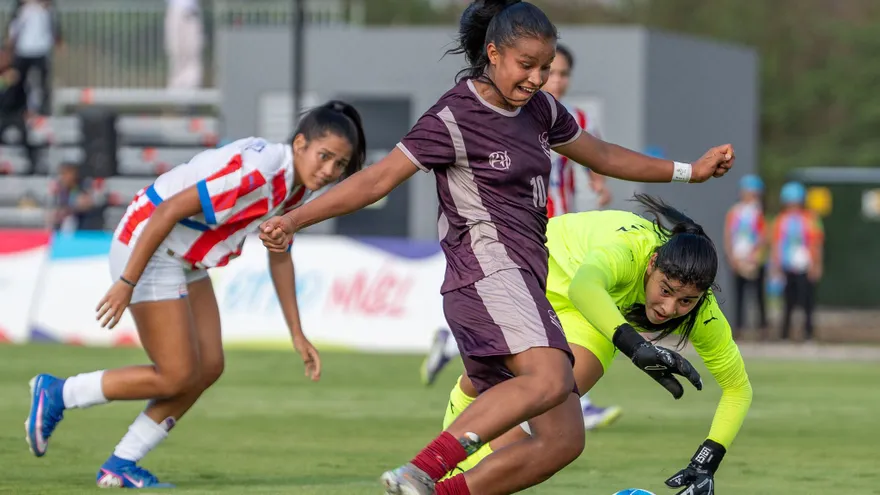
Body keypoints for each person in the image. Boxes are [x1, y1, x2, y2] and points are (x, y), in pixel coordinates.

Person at [260, 2, 734, 493]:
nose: (536, 78)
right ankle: (421, 471)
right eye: (526, 65)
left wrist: (690, 171)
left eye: (545, 67)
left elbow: (603, 154)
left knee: (563, 439)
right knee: (552, 379)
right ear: (493, 53)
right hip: (486, 275)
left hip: (525, 281)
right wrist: (293, 219)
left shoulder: (542, 110)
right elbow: (377, 180)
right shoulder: (454, 115)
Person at [24, 101, 367, 488]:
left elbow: (280, 253)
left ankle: (121, 463)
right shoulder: (259, 173)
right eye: (325, 156)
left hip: (183, 255)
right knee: (175, 375)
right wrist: (127, 282)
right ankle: (59, 392)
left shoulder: (295, 187)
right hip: (149, 244)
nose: (330, 171)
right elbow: (168, 210)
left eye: (340, 164)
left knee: (209, 367)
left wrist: (297, 333)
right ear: (300, 143)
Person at [440, 194, 753, 495]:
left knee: (552, 420)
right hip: (533, 271)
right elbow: (584, 286)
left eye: (686, 301)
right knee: (497, 384)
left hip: (589, 309)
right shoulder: (631, 249)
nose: (669, 309)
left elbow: (738, 389)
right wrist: (637, 348)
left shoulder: (704, 313)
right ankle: (442, 471)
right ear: (652, 263)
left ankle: (448, 485)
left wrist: (707, 459)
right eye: (666, 290)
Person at [420, 42, 621, 431]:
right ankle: (568, 399)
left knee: (548, 314)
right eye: (550, 71)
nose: (554, 80)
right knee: (548, 314)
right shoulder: (514, 114)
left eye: (560, 73)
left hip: (562, 225)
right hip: (524, 231)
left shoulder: (570, 117)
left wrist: (599, 186)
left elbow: (595, 159)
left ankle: (463, 356)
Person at [772, 181, 824, 342]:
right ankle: (785, 334)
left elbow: (817, 243)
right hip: (788, 266)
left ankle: (808, 333)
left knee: (807, 301)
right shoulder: (781, 220)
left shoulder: (810, 219)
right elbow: (777, 243)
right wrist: (776, 265)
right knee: (788, 302)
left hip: (805, 265)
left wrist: (816, 265)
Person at [724, 174, 768, 338]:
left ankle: (762, 328)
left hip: (754, 260)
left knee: (759, 295)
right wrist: (732, 258)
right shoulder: (735, 212)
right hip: (738, 259)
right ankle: (739, 327)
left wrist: (756, 257)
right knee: (739, 295)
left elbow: (763, 237)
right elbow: (728, 235)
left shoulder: (758, 213)